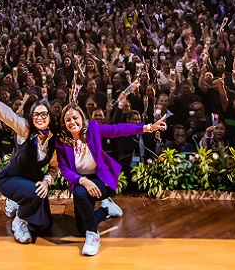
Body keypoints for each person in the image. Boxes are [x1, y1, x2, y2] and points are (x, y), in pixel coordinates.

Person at [56, 103, 166, 256]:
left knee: (81, 197)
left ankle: (93, 236)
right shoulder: (62, 141)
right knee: (82, 229)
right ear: (63, 123)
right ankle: (106, 209)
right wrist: (82, 180)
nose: (72, 122)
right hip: (82, 180)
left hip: (102, 179)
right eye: (67, 120)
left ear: (82, 118)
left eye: (75, 118)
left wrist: (148, 127)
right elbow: (64, 168)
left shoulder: (93, 128)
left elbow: (118, 129)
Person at [0, 77, 59, 245]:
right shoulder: (25, 129)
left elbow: (53, 168)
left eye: (43, 114)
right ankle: (20, 221)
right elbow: (8, 115)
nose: (39, 117)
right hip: (10, 178)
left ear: (50, 117)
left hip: (32, 181)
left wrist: (46, 182)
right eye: (36, 114)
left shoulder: (53, 142)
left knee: (44, 224)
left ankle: (20, 199)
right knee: (34, 194)